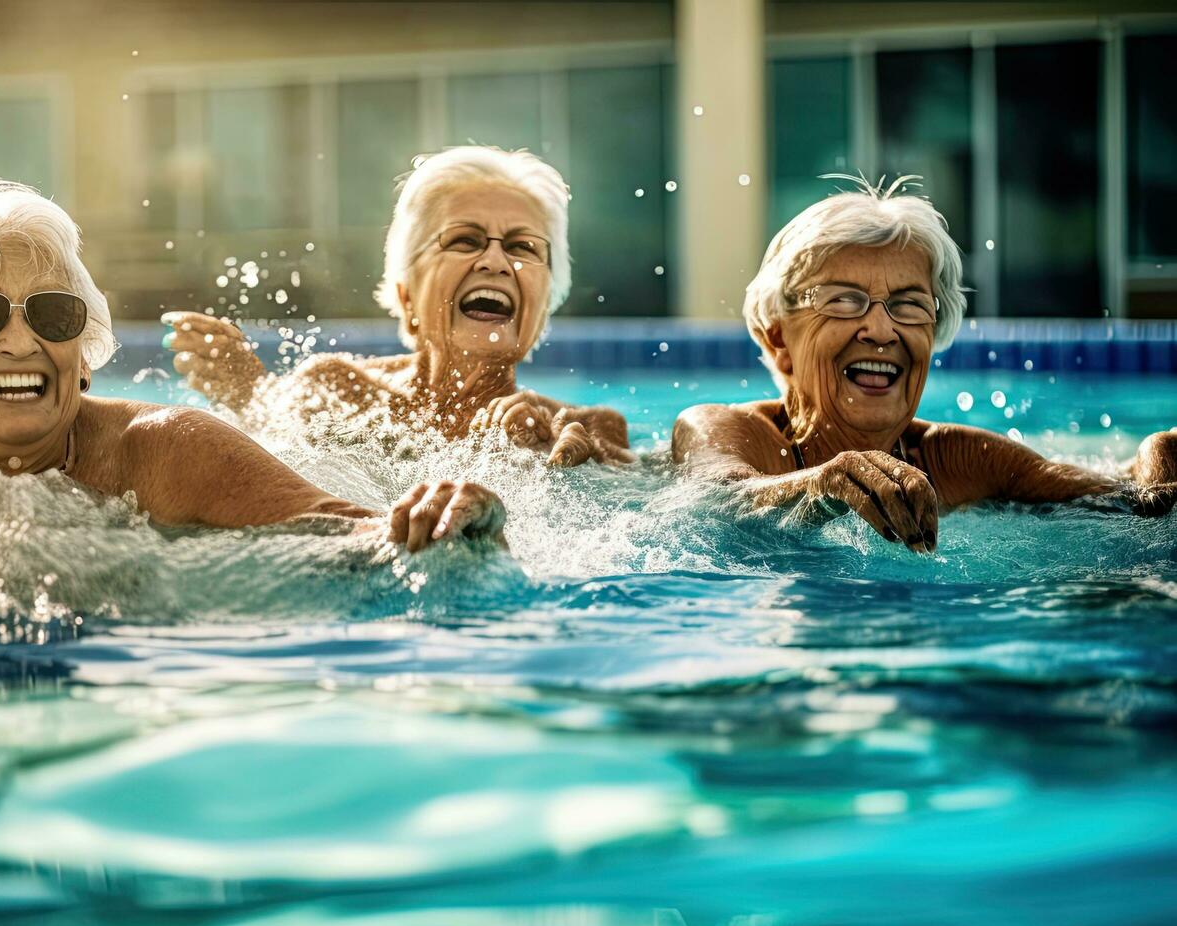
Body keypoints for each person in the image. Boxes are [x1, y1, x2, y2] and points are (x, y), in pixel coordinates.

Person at [0, 178, 506, 554]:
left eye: (53, 315)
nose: (19, 341)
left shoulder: (168, 453)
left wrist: (450, 520)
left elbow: (353, 535)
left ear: (82, 356)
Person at [671, 176, 1176, 551]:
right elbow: (714, 502)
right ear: (779, 336)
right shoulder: (726, 430)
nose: (882, 330)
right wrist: (822, 484)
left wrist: (1163, 452)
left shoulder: (962, 461)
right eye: (845, 300)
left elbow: (1131, 503)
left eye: (909, 304)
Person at [164, 146, 632, 467]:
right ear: (406, 295)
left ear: (543, 306)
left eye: (524, 247)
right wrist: (253, 396)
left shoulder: (585, 431)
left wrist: (579, 471)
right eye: (464, 240)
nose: (496, 261)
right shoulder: (335, 391)